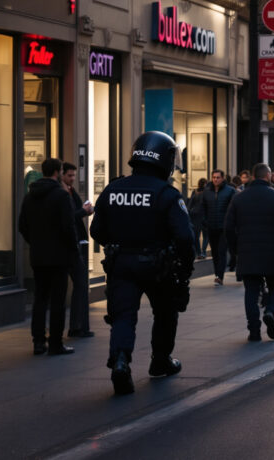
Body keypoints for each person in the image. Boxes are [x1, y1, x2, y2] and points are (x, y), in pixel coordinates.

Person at [90, 132, 194, 395]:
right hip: (159, 265)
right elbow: (185, 237)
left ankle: (121, 362)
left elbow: (97, 231)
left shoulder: (113, 189)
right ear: (166, 161)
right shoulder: (167, 194)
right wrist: (184, 269)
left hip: (121, 264)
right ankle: (160, 362)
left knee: (123, 316)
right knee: (165, 313)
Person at [224, 164, 274, 342]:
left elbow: (228, 227)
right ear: (268, 175)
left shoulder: (239, 198)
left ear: (253, 176)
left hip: (247, 251)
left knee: (251, 291)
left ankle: (254, 331)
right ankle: (270, 311)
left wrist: (235, 250)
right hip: (272, 250)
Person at [19, 157, 79, 356]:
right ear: (57, 172)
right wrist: (73, 251)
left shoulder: (29, 196)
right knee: (57, 301)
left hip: (38, 256)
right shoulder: (61, 196)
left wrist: (35, 242)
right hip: (59, 257)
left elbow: (22, 226)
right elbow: (68, 227)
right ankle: (55, 342)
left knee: (40, 298)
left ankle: (38, 342)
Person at [62, 162, 95, 338]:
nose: (72, 179)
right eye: (69, 176)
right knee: (79, 284)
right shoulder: (61, 194)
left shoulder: (70, 192)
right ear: (61, 175)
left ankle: (78, 326)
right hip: (68, 245)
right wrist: (83, 212)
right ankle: (76, 327)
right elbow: (68, 218)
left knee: (81, 285)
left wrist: (85, 211)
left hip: (75, 243)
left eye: (74, 175)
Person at [201, 169, 236, 286]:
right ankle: (217, 274)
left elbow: (233, 209)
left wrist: (230, 223)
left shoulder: (230, 191)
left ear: (223, 178)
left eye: (218, 177)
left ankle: (220, 276)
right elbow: (203, 208)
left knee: (221, 251)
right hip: (211, 227)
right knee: (215, 253)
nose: (215, 179)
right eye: (214, 177)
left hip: (224, 228)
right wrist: (204, 222)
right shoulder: (206, 192)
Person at [188, 178, 208, 259]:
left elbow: (190, 204)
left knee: (196, 235)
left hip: (195, 216)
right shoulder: (207, 192)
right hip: (205, 215)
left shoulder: (195, 191)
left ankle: (199, 252)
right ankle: (203, 252)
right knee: (206, 235)